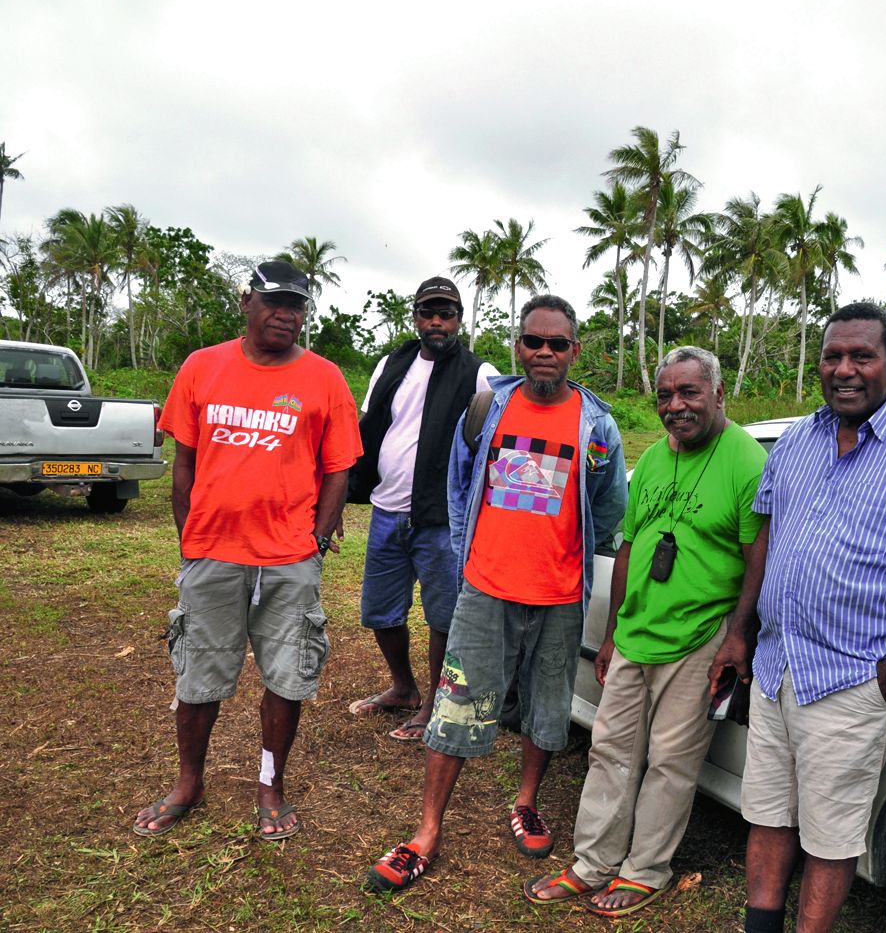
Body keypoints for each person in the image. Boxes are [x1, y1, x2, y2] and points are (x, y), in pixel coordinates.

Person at [709, 301, 886, 933]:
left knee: (831, 835)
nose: (845, 369)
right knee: (767, 813)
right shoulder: (798, 439)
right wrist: (741, 632)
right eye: (833, 356)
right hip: (777, 666)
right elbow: (766, 538)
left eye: (863, 356)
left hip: (853, 678)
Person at [365, 294, 627, 892]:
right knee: (456, 704)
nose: (544, 352)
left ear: (574, 351)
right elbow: (460, 486)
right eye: (533, 341)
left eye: (557, 343)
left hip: (561, 595)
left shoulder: (597, 426)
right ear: (518, 346)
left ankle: (526, 802)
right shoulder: (487, 409)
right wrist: (471, 562)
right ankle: (427, 830)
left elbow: (609, 507)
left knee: (546, 706)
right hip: (486, 587)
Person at [524, 346, 768, 917]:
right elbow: (631, 547)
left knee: (670, 762)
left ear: (718, 393)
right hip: (636, 632)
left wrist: (738, 636)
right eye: (665, 395)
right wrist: (612, 631)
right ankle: (594, 862)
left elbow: (759, 558)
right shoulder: (655, 456)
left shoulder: (748, 461)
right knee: (609, 750)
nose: (676, 405)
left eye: (689, 392)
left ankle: (645, 871)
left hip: (699, 636)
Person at [133, 261, 361, 841]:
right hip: (213, 553)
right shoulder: (201, 366)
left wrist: (316, 541)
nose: (286, 314)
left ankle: (270, 785)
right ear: (247, 302)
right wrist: (190, 538)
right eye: (275, 301)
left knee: (287, 678)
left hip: (289, 559)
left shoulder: (326, 378)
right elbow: (184, 461)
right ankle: (189, 782)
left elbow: (338, 469)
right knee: (198, 677)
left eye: (297, 306)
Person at [346, 276, 498, 741]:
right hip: (387, 509)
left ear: (459, 320)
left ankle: (433, 701)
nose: (436, 322)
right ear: (415, 317)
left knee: (443, 616)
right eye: (428, 313)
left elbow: (493, 442)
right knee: (379, 610)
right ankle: (403, 687)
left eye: (445, 314)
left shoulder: (479, 372)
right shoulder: (392, 363)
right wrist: (349, 486)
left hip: (441, 519)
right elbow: (370, 425)